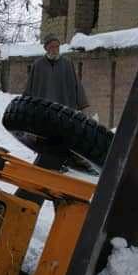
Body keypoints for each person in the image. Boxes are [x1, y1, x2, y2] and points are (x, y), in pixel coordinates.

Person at [22, 35, 89, 177]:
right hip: (44, 110)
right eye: (51, 46)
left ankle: (62, 163)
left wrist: (82, 104)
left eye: (57, 46)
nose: (54, 49)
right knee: (44, 137)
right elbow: (30, 87)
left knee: (62, 136)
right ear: (46, 48)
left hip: (63, 108)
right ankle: (44, 163)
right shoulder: (38, 65)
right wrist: (26, 105)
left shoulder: (67, 64)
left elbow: (77, 85)